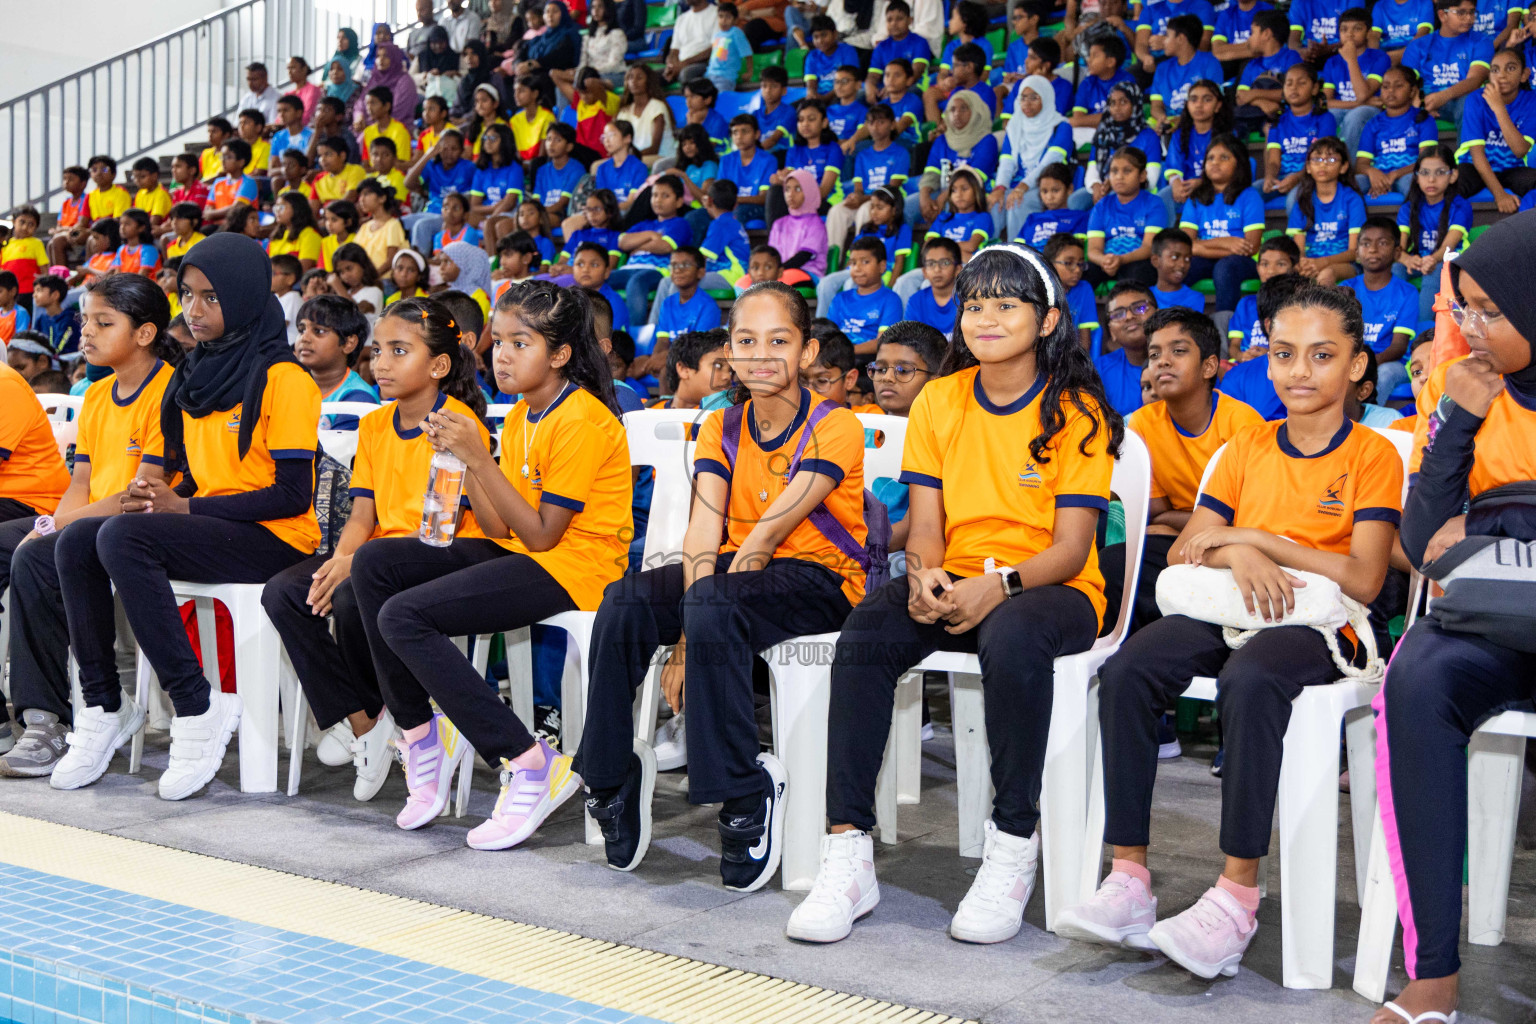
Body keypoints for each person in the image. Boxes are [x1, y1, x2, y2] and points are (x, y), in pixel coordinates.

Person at [1058, 282, 1401, 979]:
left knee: (1250, 681)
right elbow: (1196, 542)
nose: (1300, 371)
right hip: (1237, 602)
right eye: (1284, 354)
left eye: (1322, 355)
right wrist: (1243, 549)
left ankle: (1239, 892)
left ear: (1358, 366)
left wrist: (1253, 538)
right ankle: (1129, 880)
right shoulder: (1247, 446)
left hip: (1324, 620)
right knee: (1127, 672)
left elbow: (1364, 578)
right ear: (1266, 361)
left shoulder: (1373, 454)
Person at [787, 246, 1119, 945]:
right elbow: (928, 526)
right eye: (974, 305)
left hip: (1053, 588)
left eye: (1007, 303)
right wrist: (927, 575)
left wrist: (999, 586)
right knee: (870, 628)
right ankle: (847, 852)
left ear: (1048, 318)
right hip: (960, 576)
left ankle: (1012, 843)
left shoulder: (1078, 410)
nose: (987, 318)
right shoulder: (941, 399)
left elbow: (1070, 549)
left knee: (1013, 636)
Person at [575, 280, 866, 882]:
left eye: (778, 340)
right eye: (746, 340)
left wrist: (690, 632)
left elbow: (764, 537)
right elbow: (704, 531)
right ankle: (607, 775)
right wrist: (688, 623)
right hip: (732, 579)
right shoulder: (721, 426)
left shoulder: (836, 423)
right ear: (729, 351)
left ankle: (744, 788)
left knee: (710, 600)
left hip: (822, 579)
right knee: (625, 599)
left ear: (807, 352)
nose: (761, 354)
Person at [349, 282, 630, 843]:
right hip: (522, 550)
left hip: (578, 565)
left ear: (559, 354)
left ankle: (528, 761)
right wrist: (467, 460)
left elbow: (545, 537)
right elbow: (501, 527)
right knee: (376, 563)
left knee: (403, 616)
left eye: (519, 343)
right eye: (497, 341)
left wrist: (479, 454)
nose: (501, 355)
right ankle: (420, 733)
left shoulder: (579, 420)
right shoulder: (526, 414)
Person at [47, 234, 321, 800]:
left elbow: (292, 495)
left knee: (123, 538)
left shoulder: (285, 378)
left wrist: (185, 505)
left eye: (210, 298)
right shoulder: (194, 377)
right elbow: (196, 477)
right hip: (215, 526)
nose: (193, 311)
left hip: (276, 537)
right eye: (188, 296)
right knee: (75, 541)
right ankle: (102, 704)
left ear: (244, 298)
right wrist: (161, 496)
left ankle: (196, 707)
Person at [1370, 212, 1536, 1024]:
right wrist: (1460, 420)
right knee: (1416, 679)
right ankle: (1432, 971)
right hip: (1495, 619)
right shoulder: (1463, 385)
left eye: (1490, 312)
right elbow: (1416, 541)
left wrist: (1493, 522)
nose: (1468, 327)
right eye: (1462, 307)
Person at [261, 298, 489, 801]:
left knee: (351, 592)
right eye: (378, 350)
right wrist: (341, 559)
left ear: (439, 366)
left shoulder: (457, 423)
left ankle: (392, 721)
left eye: (399, 351)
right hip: (378, 553)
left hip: (443, 551)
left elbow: (444, 522)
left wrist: (355, 565)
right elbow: (362, 515)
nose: (380, 363)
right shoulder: (373, 425)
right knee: (287, 592)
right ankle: (368, 723)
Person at [0, 276, 179, 778]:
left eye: (104, 323)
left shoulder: (168, 392)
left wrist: (52, 527)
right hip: (88, 518)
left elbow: (136, 494)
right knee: (23, 547)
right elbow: (80, 485)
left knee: (35, 555)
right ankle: (23, 714)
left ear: (144, 333)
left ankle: (50, 719)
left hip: (140, 525)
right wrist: (52, 521)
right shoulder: (97, 394)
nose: (87, 333)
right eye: (85, 322)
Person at [1100, 306, 1263, 636]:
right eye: (1154, 353)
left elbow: (1246, 521)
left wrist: (1172, 522)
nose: (1162, 361)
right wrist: (1173, 522)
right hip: (1182, 546)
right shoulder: (1143, 422)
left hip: (1235, 548)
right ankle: (1141, 644)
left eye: (1178, 351)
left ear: (1209, 366)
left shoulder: (1243, 424)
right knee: (1113, 563)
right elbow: (1153, 511)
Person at [1178, 134, 1263, 314]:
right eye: (1210, 158)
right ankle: (1176, 320)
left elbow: (1251, 247)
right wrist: (1227, 242)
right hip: (1210, 256)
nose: (1215, 163)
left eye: (1224, 157)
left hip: (1241, 261)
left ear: (1238, 163)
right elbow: (1185, 245)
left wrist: (1199, 246)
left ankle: (1224, 329)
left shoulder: (1249, 196)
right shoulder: (1195, 198)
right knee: (1180, 265)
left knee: (1224, 268)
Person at [1341, 217, 1420, 400]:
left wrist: (1365, 365)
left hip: (1392, 362)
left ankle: (1367, 424)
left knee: (1384, 374)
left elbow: (1398, 347)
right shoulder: (1347, 288)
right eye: (1366, 243)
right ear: (1357, 252)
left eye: (1382, 243)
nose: (1373, 249)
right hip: (1352, 361)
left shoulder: (1407, 292)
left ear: (1397, 251)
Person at [1454, 46, 1536, 207]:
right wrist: (1500, 195)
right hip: (1473, 166)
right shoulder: (1476, 99)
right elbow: (1477, 154)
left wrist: (1498, 108)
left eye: (1510, 68)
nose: (1502, 76)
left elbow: (1519, 151)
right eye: (1495, 70)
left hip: (1512, 167)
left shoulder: (1532, 101)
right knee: (1448, 186)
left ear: (1524, 75)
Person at [1399, 144, 1471, 323]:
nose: (1431, 179)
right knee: (1395, 268)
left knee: (1436, 270)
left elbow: (1449, 246)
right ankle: (1397, 325)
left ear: (1452, 175)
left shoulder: (1461, 206)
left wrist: (1432, 259)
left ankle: (1422, 328)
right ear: (1416, 176)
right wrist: (1406, 259)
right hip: (1420, 260)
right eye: (1424, 173)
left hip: (1449, 261)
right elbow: (1399, 248)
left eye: (1440, 172)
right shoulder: (1408, 207)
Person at [994, 76, 1074, 236]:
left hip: (1047, 187)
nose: (1027, 103)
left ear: (1046, 97)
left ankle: (1017, 255)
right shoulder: (1015, 126)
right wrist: (1000, 187)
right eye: (1023, 98)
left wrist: (1022, 187)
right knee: (996, 203)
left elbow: (1050, 162)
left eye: (1034, 98)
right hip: (1017, 186)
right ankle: (989, 256)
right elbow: (1006, 162)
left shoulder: (1061, 126)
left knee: (1017, 203)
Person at [610, 175, 692, 328]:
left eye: (665, 196)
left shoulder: (680, 224)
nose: (658, 200)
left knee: (637, 282)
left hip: (657, 270)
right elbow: (622, 242)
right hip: (629, 268)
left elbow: (665, 246)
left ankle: (635, 332)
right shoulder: (643, 224)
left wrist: (638, 246)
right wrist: (650, 236)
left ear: (679, 201)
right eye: (654, 195)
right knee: (600, 278)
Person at [1219, 272, 1304, 419]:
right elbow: (1229, 438)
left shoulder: (1331, 370)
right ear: (1270, 325)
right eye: (1302, 313)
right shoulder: (1236, 380)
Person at [1288, 137, 1368, 287]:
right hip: (1311, 263)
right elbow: (1299, 250)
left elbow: (1354, 252)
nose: (1323, 164)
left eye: (1331, 160)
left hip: (1344, 264)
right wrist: (1305, 264)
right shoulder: (1302, 201)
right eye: (1316, 159)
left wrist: (1323, 262)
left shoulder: (1352, 199)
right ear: (1308, 167)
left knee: (1326, 275)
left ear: (1343, 167)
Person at [1086, 146, 1166, 290]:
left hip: (1137, 261)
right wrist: (1104, 260)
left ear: (1142, 175)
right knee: (1081, 274)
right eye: (1114, 171)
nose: (1119, 176)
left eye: (1127, 171)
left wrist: (1121, 259)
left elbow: (1149, 248)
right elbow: (1093, 250)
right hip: (1107, 262)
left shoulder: (1154, 204)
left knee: (1140, 273)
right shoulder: (1102, 205)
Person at [1355, 66, 1438, 203]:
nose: (1391, 91)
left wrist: (1395, 174)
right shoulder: (1373, 124)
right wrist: (1372, 172)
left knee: (1414, 184)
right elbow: (1361, 165)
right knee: (1352, 184)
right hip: (1379, 176)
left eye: (1398, 86)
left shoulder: (1424, 120)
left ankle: (1414, 223)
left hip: (1407, 174)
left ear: (1412, 91)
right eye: (1385, 87)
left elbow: (1427, 161)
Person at [1400, 0, 1491, 125]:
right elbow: (1406, 82)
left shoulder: (1481, 42)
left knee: (1469, 103)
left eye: (1472, 12)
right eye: (1461, 13)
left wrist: (1443, 96)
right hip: (1425, 100)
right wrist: (1421, 105)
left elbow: (1475, 80)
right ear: (1442, 15)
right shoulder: (1418, 46)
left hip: (1461, 100)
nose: (1469, 18)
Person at [1262, 64, 1338, 211]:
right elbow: (1273, 161)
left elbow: (1321, 159)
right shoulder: (1278, 121)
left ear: (1315, 88)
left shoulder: (1325, 119)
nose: (1294, 88)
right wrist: (1270, 177)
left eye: (1301, 83)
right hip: (1283, 178)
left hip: (1312, 178)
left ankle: (1296, 234)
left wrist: (1297, 178)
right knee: (1252, 193)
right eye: (1289, 83)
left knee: (1294, 199)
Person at [1324, 8, 1392, 159]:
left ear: (1368, 33)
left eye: (1357, 28)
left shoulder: (1380, 58)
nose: (1350, 34)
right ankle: (1324, 163)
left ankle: (1349, 168)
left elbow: (1362, 95)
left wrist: (1351, 59)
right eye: (1344, 29)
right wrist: (1357, 103)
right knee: (1327, 116)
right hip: (1353, 106)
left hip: (1369, 111)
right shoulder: (1332, 62)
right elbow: (1325, 102)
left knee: (1356, 116)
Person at [828, 237, 905, 356]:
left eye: (865, 262)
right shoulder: (840, 298)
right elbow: (829, 335)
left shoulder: (891, 300)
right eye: (853, 263)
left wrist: (847, 351)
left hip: (869, 361)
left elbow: (883, 342)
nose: (857, 268)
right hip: (839, 358)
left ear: (882, 266)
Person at [1227, 235, 1298, 361]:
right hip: (1244, 366)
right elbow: (1234, 346)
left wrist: (1271, 355)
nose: (1271, 271)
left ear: (1295, 268)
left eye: (1280, 264)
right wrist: (1242, 356)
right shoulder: (1245, 304)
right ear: (1257, 268)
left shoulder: (1298, 306)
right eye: (1265, 264)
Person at [1148, 16, 1224, 128]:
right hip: (1170, 125)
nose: (1164, 41)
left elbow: (1215, 102)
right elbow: (1156, 107)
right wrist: (1163, 119)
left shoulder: (1209, 63)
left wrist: (1184, 121)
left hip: (1201, 124)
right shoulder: (1162, 68)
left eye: (1167, 36)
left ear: (1181, 39)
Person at [1096, 282, 1158, 416]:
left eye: (1140, 307)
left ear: (1158, 315)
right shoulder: (1098, 371)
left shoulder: (1181, 361)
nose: (1129, 316)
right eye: (1118, 314)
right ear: (1111, 331)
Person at [767, 168, 829, 286]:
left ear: (809, 191)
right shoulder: (779, 224)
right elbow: (772, 254)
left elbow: (804, 256)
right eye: (787, 189)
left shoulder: (816, 224)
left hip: (808, 273)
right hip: (781, 272)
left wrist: (778, 270)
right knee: (748, 283)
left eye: (798, 189)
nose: (791, 194)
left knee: (775, 285)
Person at [718, 115, 778, 226]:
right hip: (730, 208)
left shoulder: (768, 160)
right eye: (735, 133)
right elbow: (719, 193)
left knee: (739, 212)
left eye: (745, 132)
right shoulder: (726, 160)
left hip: (757, 209)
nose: (739, 137)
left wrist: (736, 199)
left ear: (757, 134)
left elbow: (764, 198)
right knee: (697, 216)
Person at [2, 206, 49, 316]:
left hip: (30, 292)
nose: (25, 227)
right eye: (22, 222)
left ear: (36, 227)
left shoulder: (36, 243)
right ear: (14, 222)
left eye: (31, 224)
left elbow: (44, 269)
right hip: (10, 295)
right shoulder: (6, 246)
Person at [353, 179, 407, 274]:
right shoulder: (364, 227)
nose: (361, 199)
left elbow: (390, 261)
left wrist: (372, 279)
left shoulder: (392, 225)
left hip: (385, 280)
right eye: (360, 196)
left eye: (366, 194)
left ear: (382, 198)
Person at [329, 241, 386, 317]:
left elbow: (355, 316)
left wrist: (338, 288)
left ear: (362, 264)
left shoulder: (374, 291)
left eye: (349, 268)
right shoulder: (347, 292)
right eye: (341, 272)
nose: (346, 276)